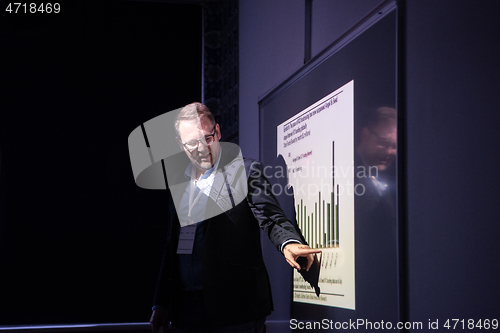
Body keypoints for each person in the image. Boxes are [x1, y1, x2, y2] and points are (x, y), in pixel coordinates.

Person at [150, 102, 319, 333]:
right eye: (191, 144)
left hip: (235, 311)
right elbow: (172, 248)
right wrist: (161, 303)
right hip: (185, 313)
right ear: (181, 146)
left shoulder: (246, 171)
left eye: (207, 138)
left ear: (217, 132)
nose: (201, 149)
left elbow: (271, 217)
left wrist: (289, 242)